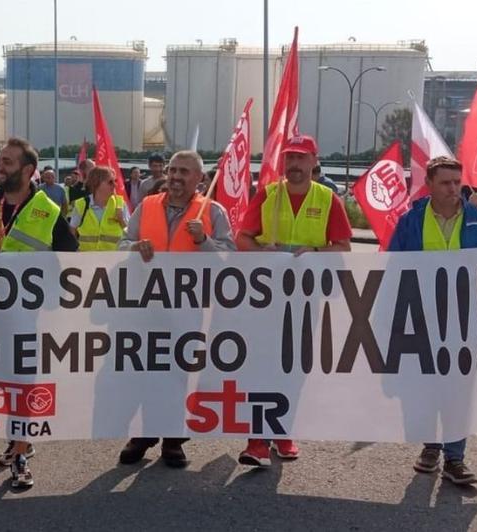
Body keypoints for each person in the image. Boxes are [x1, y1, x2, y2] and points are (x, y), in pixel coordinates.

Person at [0, 136, 78, 489]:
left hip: (30, 318)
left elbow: (69, 261)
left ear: (27, 170)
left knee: (23, 383)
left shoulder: (48, 211)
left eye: (7, 161)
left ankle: (21, 450)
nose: (0, 165)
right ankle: (17, 438)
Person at [236, 134, 352, 467]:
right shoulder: (268, 195)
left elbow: (342, 246)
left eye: (301, 158)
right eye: (290, 158)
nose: (294, 165)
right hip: (265, 298)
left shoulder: (328, 199)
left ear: (314, 161)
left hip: (306, 300)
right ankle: (257, 440)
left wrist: (315, 252)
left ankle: (283, 431)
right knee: (261, 365)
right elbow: (241, 237)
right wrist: (261, 253)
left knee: (293, 367)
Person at [116, 150, 235, 468]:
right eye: (173, 170)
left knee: (179, 374)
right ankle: (144, 435)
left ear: (199, 179)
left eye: (185, 172)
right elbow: (122, 243)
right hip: (147, 304)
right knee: (145, 371)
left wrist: (204, 241)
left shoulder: (212, 211)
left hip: (188, 307)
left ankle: (172, 439)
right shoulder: (147, 206)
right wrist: (134, 248)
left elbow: (229, 259)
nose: (177, 177)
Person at [387, 157, 477, 486]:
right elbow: (393, 267)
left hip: (465, 318)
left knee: (459, 387)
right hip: (421, 315)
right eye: (446, 182)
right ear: (429, 184)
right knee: (425, 385)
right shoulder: (411, 221)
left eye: (457, 182)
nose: (453, 189)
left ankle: (456, 458)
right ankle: (430, 447)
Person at [69, 167, 129, 251]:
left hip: (113, 259)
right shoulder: (81, 204)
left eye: (115, 181)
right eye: (110, 182)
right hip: (86, 259)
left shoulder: (120, 204)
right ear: (96, 183)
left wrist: (121, 220)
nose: (115, 185)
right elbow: (72, 231)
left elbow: (130, 234)